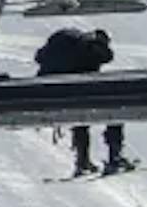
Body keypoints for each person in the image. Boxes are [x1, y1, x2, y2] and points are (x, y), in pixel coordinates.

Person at [36, 22, 127, 178]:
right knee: (115, 106)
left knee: (80, 110)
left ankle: (82, 160)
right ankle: (114, 156)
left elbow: (39, 57)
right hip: (78, 95)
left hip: (47, 96)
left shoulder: (63, 40)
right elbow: (104, 57)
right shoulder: (90, 52)